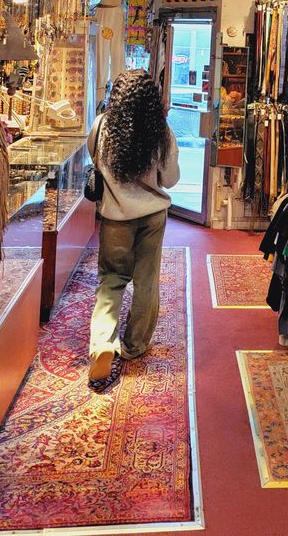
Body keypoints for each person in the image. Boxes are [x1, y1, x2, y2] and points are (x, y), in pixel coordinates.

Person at [86, 70, 180, 389]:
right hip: (152, 217)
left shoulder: (102, 126)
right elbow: (171, 179)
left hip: (115, 218)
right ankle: (134, 345)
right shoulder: (161, 133)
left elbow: (94, 158)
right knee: (146, 281)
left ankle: (102, 344)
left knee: (111, 280)